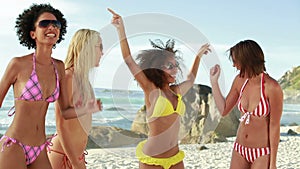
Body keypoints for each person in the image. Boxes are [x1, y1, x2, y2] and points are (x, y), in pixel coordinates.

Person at [108, 8, 211, 169]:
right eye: (170, 66)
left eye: (176, 65)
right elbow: (129, 60)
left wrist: (198, 56)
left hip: (175, 157)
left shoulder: (175, 91)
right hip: (153, 159)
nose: (175, 70)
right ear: (157, 68)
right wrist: (121, 30)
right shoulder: (151, 90)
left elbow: (190, 79)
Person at [0, 3, 99, 169]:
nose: (51, 27)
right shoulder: (18, 64)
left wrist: (87, 108)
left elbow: (65, 111)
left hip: (40, 149)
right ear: (32, 33)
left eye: (56, 24)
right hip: (15, 145)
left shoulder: (59, 67)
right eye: (44, 23)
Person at [210, 39, 283, 169]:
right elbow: (224, 109)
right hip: (240, 149)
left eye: (235, 61)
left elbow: (274, 126)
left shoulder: (272, 87)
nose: (234, 65)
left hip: (262, 153)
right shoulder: (239, 81)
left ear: (246, 60)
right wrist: (214, 82)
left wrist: (273, 163)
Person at [48, 29, 103, 169]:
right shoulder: (67, 77)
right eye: (99, 47)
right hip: (63, 156)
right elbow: (61, 124)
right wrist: (73, 161)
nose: (102, 53)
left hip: (76, 156)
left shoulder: (84, 81)